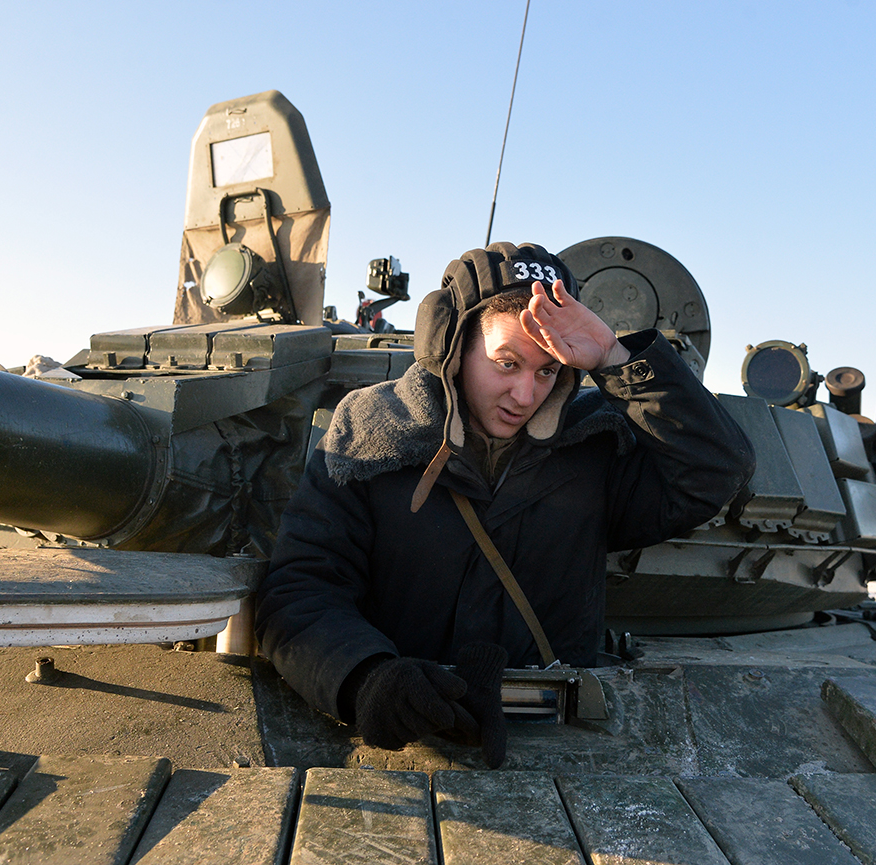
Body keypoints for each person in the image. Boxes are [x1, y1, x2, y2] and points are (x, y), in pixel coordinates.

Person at [256, 241, 753, 766]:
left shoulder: (594, 444)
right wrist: (364, 677)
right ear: (453, 345)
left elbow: (717, 471)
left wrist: (616, 358)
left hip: (559, 747)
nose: (525, 394)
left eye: (546, 371)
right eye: (507, 363)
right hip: (400, 738)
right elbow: (301, 589)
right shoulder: (370, 433)